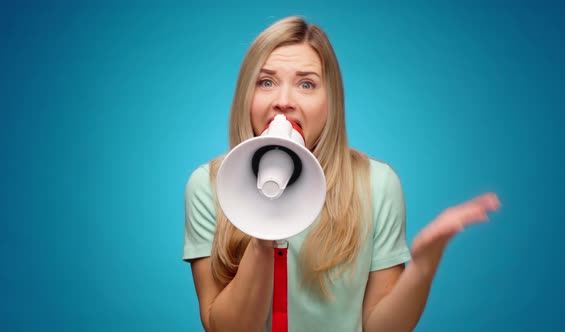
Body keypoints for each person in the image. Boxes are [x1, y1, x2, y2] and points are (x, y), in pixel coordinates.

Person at [183, 16, 500, 332]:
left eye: (306, 84)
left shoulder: (376, 184)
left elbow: (382, 329)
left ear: (330, 100)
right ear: (245, 96)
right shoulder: (208, 186)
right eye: (266, 81)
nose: (283, 102)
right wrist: (263, 232)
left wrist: (423, 265)